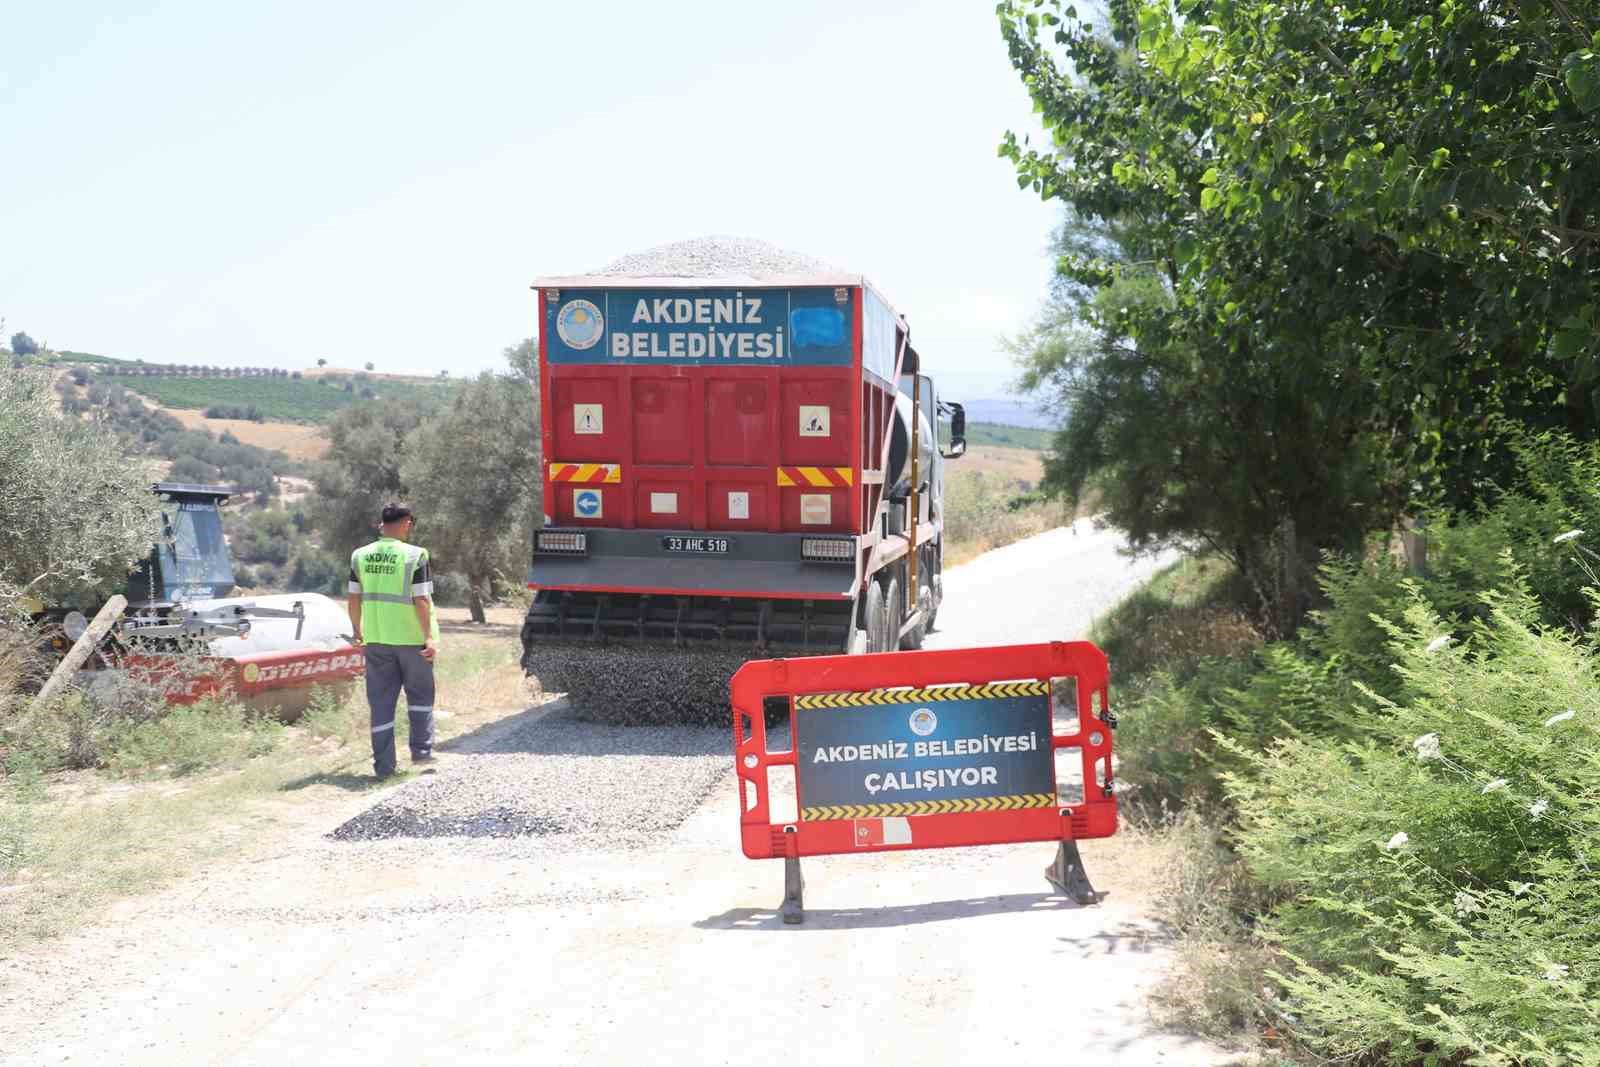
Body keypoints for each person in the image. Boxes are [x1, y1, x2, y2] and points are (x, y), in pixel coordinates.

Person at [347, 503, 440, 779]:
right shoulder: (415, 555)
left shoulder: (360, 556)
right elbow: (421, 600)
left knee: (381, 703)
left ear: (382, 524)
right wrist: (428, 637)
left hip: (376, 639)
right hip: (412, 640)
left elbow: (353, 598)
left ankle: (384, 768)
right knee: (420, 696)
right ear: (406, 523)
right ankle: (421, 753)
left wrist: (357, 630)